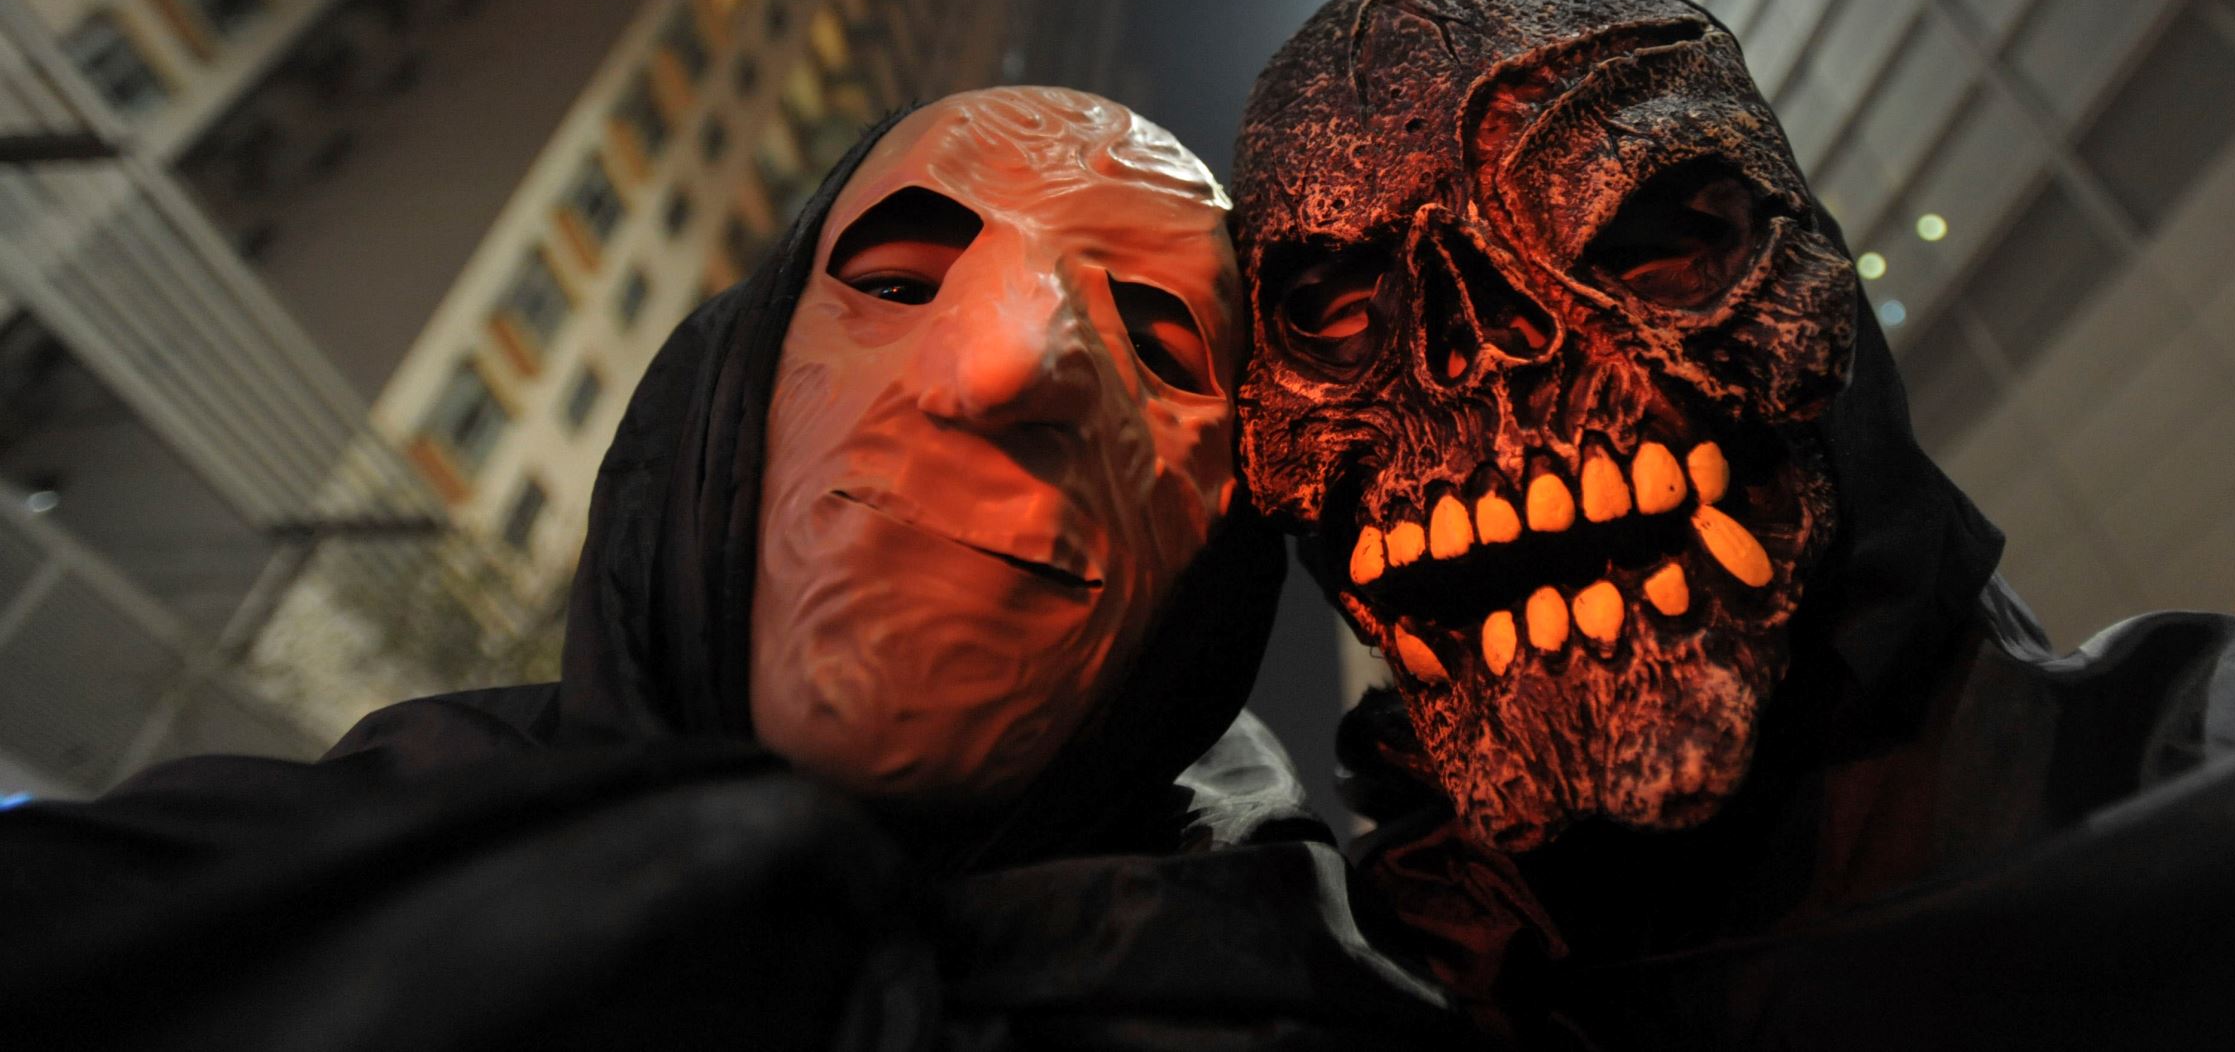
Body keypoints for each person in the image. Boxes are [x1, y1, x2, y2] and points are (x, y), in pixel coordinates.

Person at [1230, 0, 2235, 1050]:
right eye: (1333, 314)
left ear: (1816, 280)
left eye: (1635, 230)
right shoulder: (1364, 985)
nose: (1485, 366)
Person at [2, 87, 1466, 1051]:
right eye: (893, 280)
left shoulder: (1321, 1008)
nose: (1006, 359)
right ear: (725, 404)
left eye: (1160, 339)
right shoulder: (279, 862)